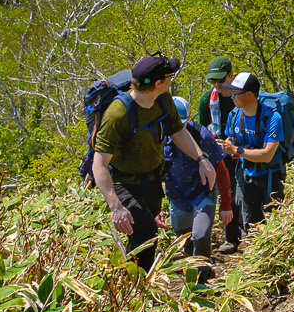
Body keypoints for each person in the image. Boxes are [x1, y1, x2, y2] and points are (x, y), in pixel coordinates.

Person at [90, 54, 217, 272]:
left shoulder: (163, 100)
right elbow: (99, 164)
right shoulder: (118, 114)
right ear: (158, 83)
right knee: (146, 232)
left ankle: (132, 287)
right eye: (169, 77)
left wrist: (201, 158)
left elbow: (178, 132)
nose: (171, 80)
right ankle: (135, 290)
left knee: (144, 239)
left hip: (152, 180)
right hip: (123, 182)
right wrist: (115, 206)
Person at [165, 96, 231, 270]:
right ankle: (192, 265)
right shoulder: (159, 137)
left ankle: (203, 272)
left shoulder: (201, 135)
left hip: (203, 191)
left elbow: (221, 170)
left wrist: (226, 204)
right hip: (177, 194)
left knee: (200, 235)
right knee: (183, 236)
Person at [219, 71, 285, 239]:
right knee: (250, 223)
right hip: (246, 175)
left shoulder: (272, 117)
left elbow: (267, 155)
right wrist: (225, 145)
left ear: (249, 94)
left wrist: (236, 150)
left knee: (275, 223)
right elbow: (231, 138)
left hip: (270, 176)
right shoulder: (234, 116)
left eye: (235, 93)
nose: (232, 96)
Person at [197, 56, 234, 131]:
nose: (217, 84)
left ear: (230, 74)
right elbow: (202, 130)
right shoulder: (206, 99)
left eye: (221, 79)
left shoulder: (243, 95)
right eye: (213, 80)